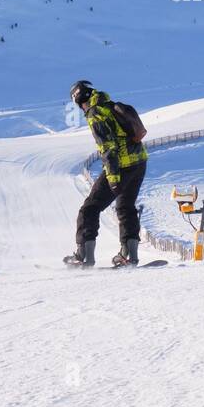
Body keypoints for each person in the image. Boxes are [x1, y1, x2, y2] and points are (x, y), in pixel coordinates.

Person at [63, 80, 148, 268]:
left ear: (79, 99)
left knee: (89, 209)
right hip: (139, 162)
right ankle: (129, 255)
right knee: (126, 207)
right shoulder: (109, 105)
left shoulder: (95, 114)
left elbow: (107, 148)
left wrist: (113, 178)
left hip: (122, 166)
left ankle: (84, 256)